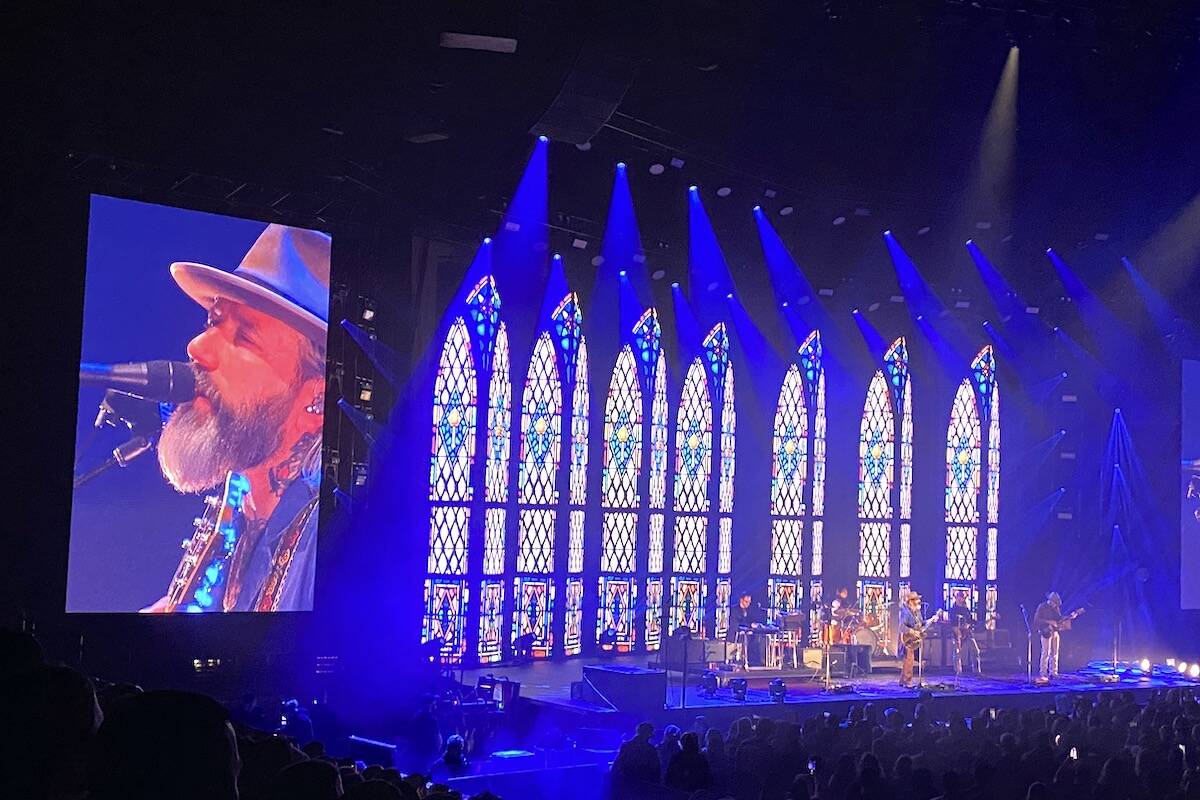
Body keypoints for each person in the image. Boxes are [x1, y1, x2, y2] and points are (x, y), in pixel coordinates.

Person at [145, 224, 330, 613]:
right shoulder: (239, 512)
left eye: (245, 336)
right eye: (214, 321)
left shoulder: (328, 545)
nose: (196, 348)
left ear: (316, 398)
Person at [725, 591, 765, 665]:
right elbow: (736, 623)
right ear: (741, 600)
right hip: (735, 634)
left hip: (746, 635)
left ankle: (753, 662)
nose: (748, 604)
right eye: (746, 601)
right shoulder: (734, 609)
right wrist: (749, 625)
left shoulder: (749, 610)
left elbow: (752, 619)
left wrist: (754, 624)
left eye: (749, 602)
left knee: (755, 640)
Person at [948, 591, 981, 675]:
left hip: (968, 633)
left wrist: (973, 623)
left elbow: (970, 620)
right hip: (957, 633)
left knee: (975, 650)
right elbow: (952, 623)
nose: (961, 599)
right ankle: (958, 671)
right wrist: (958, 632)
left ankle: (977, 671)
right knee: (957, 652)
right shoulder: (952, 610)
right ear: (956, 598)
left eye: (962, 597)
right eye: (959, 597)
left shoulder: (966, 609)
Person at [1033, 592, 1064, 682]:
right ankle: (1043, 673)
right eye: (1054, 603)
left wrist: (1069, 617)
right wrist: (1049, 622)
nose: (1055, 605)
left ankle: (1054, 672)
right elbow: (1036, 620)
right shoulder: (1042, 607)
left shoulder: (1056, 608)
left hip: (1055, 632)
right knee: (1046, 653)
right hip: (1045, 632)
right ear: (1050, 601)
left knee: (1055, 653)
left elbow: (1059, 619)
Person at [898, 591, 924, 687]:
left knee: (908, 660)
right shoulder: (906, 612)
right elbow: (902, 627)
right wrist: (912, 632)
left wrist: (932, 619)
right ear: (910, 602)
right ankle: (907, 681)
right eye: (916, 600)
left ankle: (902, 681)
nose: (918, 601)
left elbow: (921, 623)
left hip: (914, 638)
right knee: (909, 659)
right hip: (907, 638)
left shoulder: (917, 612)